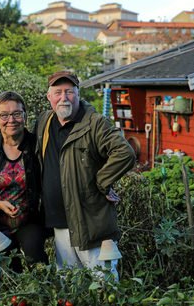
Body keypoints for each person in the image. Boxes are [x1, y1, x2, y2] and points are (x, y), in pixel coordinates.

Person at [35, 70, 136, 278]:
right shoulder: (44, 122)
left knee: (103, 282)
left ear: (78, 94)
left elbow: (125, 153)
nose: (64, 98)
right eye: (58, 92)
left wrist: (102, 182)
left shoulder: (95, 123)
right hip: (60, 223)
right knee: (71, 285)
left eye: (70, 92)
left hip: (90, 222)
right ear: (49, 96)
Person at [0, 91, 48, 271]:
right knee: (9, 276)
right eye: (4, 115)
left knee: (39, 265)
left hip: (30, 221)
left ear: (25, 116)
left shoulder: (37, 146)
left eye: (16, 114)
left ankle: (46, 298)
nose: (11, 120)